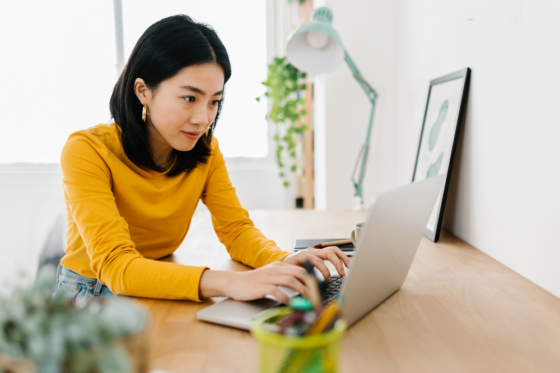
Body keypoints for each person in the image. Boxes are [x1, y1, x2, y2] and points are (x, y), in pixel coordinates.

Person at [53, 15, 349, 304]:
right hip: (90, 295)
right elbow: (115, 266)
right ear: (143, 91)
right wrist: (234, 283)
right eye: (189, 98)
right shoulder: (86, 150)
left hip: (156, 286)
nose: (203, 118)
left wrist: (283, 260)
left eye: (214, 101)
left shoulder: (204, 150)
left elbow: (236, 230)